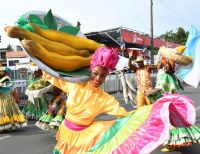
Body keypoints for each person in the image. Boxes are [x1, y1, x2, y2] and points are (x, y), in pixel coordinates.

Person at [41, 47, 196, 154]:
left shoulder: (104, 98)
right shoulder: (74, 85)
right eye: (95, 73)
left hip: (86, 136)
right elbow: (50, 72)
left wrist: (155, 112)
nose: (98, 79)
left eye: (103, 75)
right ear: (90, 70)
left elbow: (124, 115)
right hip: (65, 132)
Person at [146, 57, 200, 152]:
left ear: (163, 64)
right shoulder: (170, 75)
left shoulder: (164, 73)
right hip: (172, 100)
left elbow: (160, 87)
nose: (157, 63)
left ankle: (171, 144)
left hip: (167, 102)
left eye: (159, 62)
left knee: (168, 122)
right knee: (174, 121)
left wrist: (150, 92)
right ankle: (175, 142)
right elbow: (177, 87)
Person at [0, 66, 27, 132]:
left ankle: (7, 125)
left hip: (6, 98)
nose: (0, 72)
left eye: (1, 71)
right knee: (5, 111)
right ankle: (7, 125)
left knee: (5, 111)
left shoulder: (6, 78)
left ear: (5, 72)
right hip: (2, 97)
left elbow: (5, 86)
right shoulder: (2, 78)